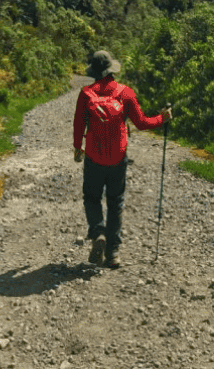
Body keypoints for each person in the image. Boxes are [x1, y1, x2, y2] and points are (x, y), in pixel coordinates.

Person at [73, 49, 172, 269]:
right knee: (115, 201)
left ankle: (98, 232)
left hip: (94, 156)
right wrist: (162, 118)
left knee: (91, 197)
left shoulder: (86, 94)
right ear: (111, 70)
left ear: (94, 72)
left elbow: (79, 124)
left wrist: (77, 147)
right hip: (118, 157)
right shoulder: (125, 93)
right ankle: (113, 254)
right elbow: (142, 123)